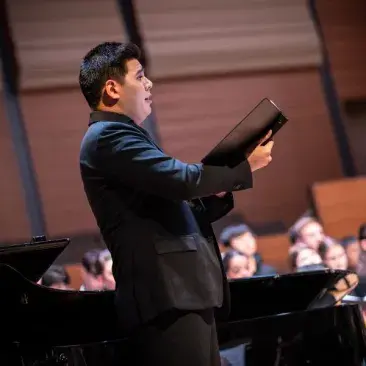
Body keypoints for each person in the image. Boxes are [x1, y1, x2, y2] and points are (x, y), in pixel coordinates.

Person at [78, 41, 274, 366]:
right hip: (166, 295)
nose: (148, 83)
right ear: (112, 89)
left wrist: (219, 189)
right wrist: (242, 166)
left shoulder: (123, 135)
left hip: (181, 292)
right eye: (140, 76)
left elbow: (177, 201)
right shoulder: (108, 136)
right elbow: (182, 180)